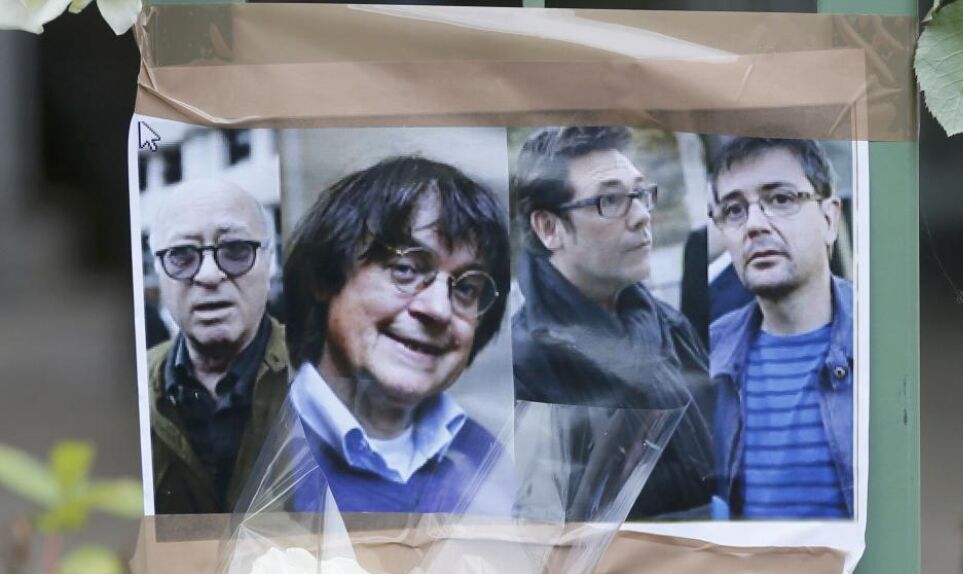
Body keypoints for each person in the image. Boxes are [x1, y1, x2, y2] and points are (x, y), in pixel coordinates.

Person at [282, 156, 511, 513]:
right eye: (405, 269)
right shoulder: (262, 438)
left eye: (467, 289)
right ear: (325, 277)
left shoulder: (484, 458)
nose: (438, 309)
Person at [511, 126, 713, 519]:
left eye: (640, 194)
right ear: (549, 228)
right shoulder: (526, 366)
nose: (641, 216)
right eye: (610, 200)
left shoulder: (668, 324)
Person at [707, 137, 853, 519]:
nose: (754, 225)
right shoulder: (709, 355)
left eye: (781, 199)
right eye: (734, 210)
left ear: (829, 219)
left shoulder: (881, 339)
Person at [147, 179, 287, 514]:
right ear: (158, 271)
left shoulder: (320, 373)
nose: (209, 276)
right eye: (181, 255)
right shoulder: (137, 386)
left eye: (236, 250)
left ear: (269, 262)